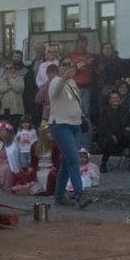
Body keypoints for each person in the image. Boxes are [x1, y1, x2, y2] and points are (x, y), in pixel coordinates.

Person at [48, 59, 93, 208]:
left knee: (67, 161)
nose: (67, 67)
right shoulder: (56, 81)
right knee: (73, 158)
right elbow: (55, 93)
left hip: (75, 125)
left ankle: (59, 196)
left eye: (70, 65)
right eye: (64, 65)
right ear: (59, 68)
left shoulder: (73, 82)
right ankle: (79, 194)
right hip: (60, 124)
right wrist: (63, 78)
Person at [95, 90, 130, 173]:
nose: (116, 99)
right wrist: (112, 135)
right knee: (107, 140)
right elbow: (103, 126)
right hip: (109, 136)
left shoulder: (125, 110)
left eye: (117, 97)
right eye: (113, 98)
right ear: (109, 100)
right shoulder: (104, 111)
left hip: (122, 135)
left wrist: (129, 127)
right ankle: (103, 163)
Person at [66, 36, 96, 118]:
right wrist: (80, 64)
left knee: (86, 110)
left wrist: (87, 64)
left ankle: (86, 126)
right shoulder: (71, 56)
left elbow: (93, 71)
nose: (82, 45)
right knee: (74, 108)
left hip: (87, 87)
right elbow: (69, 71)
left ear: (86, 44)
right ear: (77, 44)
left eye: (84, 43)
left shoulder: (90, 56)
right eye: (80, 43)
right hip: (74, 87)